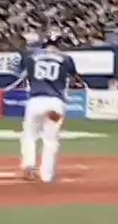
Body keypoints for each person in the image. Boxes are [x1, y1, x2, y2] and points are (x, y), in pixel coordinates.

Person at [8, 36, 76, 184]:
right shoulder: (66, 58)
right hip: (56, 104)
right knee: (51, 139)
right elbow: (73, 78)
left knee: (29, 135)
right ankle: (47, 175)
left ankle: (29, 166)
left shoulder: (31, 57)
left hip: (35, 102)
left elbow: (19, 74)